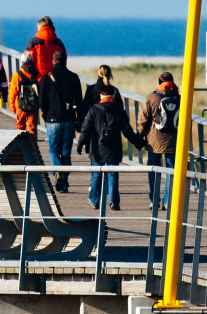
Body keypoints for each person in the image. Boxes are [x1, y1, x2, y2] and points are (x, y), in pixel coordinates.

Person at [77, 85, 145, 211]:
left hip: (97, 149)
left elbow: (85, 129)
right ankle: (113, 201)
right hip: (113, 149)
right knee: (113, 175)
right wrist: (138, 143)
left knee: (96, 175)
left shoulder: (93, 110)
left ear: (101, 96)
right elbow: (127, 131)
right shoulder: (119, 110)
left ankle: (94, 200)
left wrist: (80, 144)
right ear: (113, 95)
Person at [135, 72, 181, 210]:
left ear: (159, 82)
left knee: (153, 170)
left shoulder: (152, 98)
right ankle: (168, 201)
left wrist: (140, 136)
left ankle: (154, 200)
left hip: (154, 141)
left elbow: (142, 120)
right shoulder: (180, 98)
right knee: (171, 171)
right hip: (174, 140)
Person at [40, 50, 83, 192]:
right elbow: (79, 101)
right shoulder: (74, 77)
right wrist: (79, 121)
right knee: (66, 152)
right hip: (69, 119)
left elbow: (42, 101)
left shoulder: (47, 78)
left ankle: (58, 172)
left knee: (53, 150)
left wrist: (46, 115)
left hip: (52, 119)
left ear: (53, 61)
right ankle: (64, 183)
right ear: (65, 61)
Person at [8, 55, 41, 136]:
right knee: (32, 127)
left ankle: (20, 146)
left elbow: (12, 93)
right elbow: (42, 92)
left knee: (20, 127)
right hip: (34, 106)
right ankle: (32, 146)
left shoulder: (17, 75)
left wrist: (12, 107)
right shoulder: (38, 75)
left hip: (20, 105)